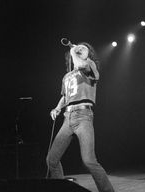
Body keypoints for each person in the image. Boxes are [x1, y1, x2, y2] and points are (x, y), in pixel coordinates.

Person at [47, 42, 115, 192]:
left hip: (83, 117)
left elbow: (80, 65)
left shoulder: (89, 65)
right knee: (51, 160)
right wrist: (57, 108)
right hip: (67, 118)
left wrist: (75, 52)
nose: (73, 55)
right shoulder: (66, 77)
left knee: (89, 160)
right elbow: (66, 96)